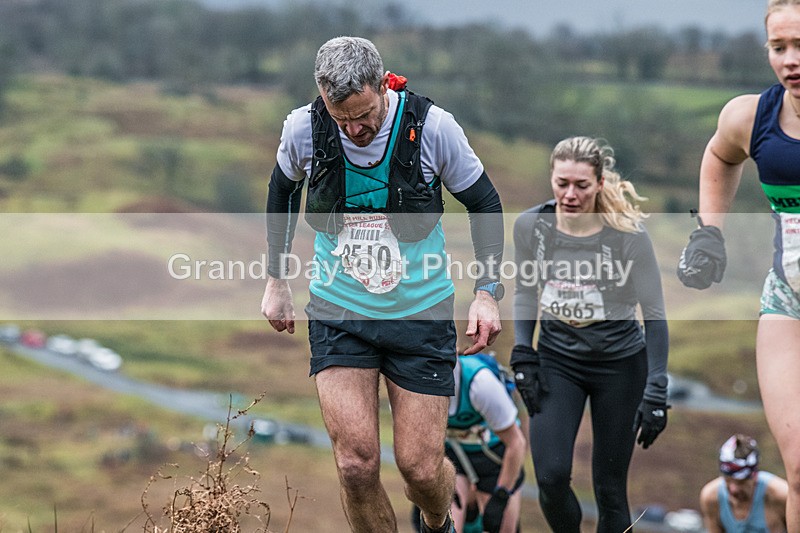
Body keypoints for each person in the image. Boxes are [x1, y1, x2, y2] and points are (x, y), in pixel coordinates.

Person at [260, 36, 504, 533]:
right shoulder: (303, 129)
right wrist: (276, 280)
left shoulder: (433, 128)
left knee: (420, 469)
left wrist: (486, 292)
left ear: (383, 85)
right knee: (355, 464)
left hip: (421, 315)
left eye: (364, 115)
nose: (354, 129)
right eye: (341, 118)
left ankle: (438, 522)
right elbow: (280, 193)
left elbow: (485, 203)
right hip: (340, 312)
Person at [676, 2, 800, 530]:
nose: (790, 59)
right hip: (788, 299)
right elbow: (720, 155)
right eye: (779, 47)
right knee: (799, 469)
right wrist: (710, 232)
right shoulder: (751, 117)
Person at [510, 136, 670, 532]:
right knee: (550, 478)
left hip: (620, 366)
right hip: (558, 361)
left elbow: (654, 315)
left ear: (599, 183)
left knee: (610, 489)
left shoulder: (627, 236)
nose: (570, 194)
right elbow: (526, 292)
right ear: (551, 178)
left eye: (581, 185)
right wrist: (523, 353)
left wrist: (656, 388)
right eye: (562, 183)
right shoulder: (532, 226)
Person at [444, 353, 527, 533]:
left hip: (495, 456)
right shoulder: (415, 384)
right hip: (453, 455)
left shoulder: (480, 383)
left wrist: (501, 496)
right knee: (448, 525)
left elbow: (517, 443)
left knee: (500, 526)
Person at [699, 434, 788, 533]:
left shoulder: (781, 496)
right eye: (728, 480)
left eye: (741, 482)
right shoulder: (712, 498)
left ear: (754, 475)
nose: (733, 489)